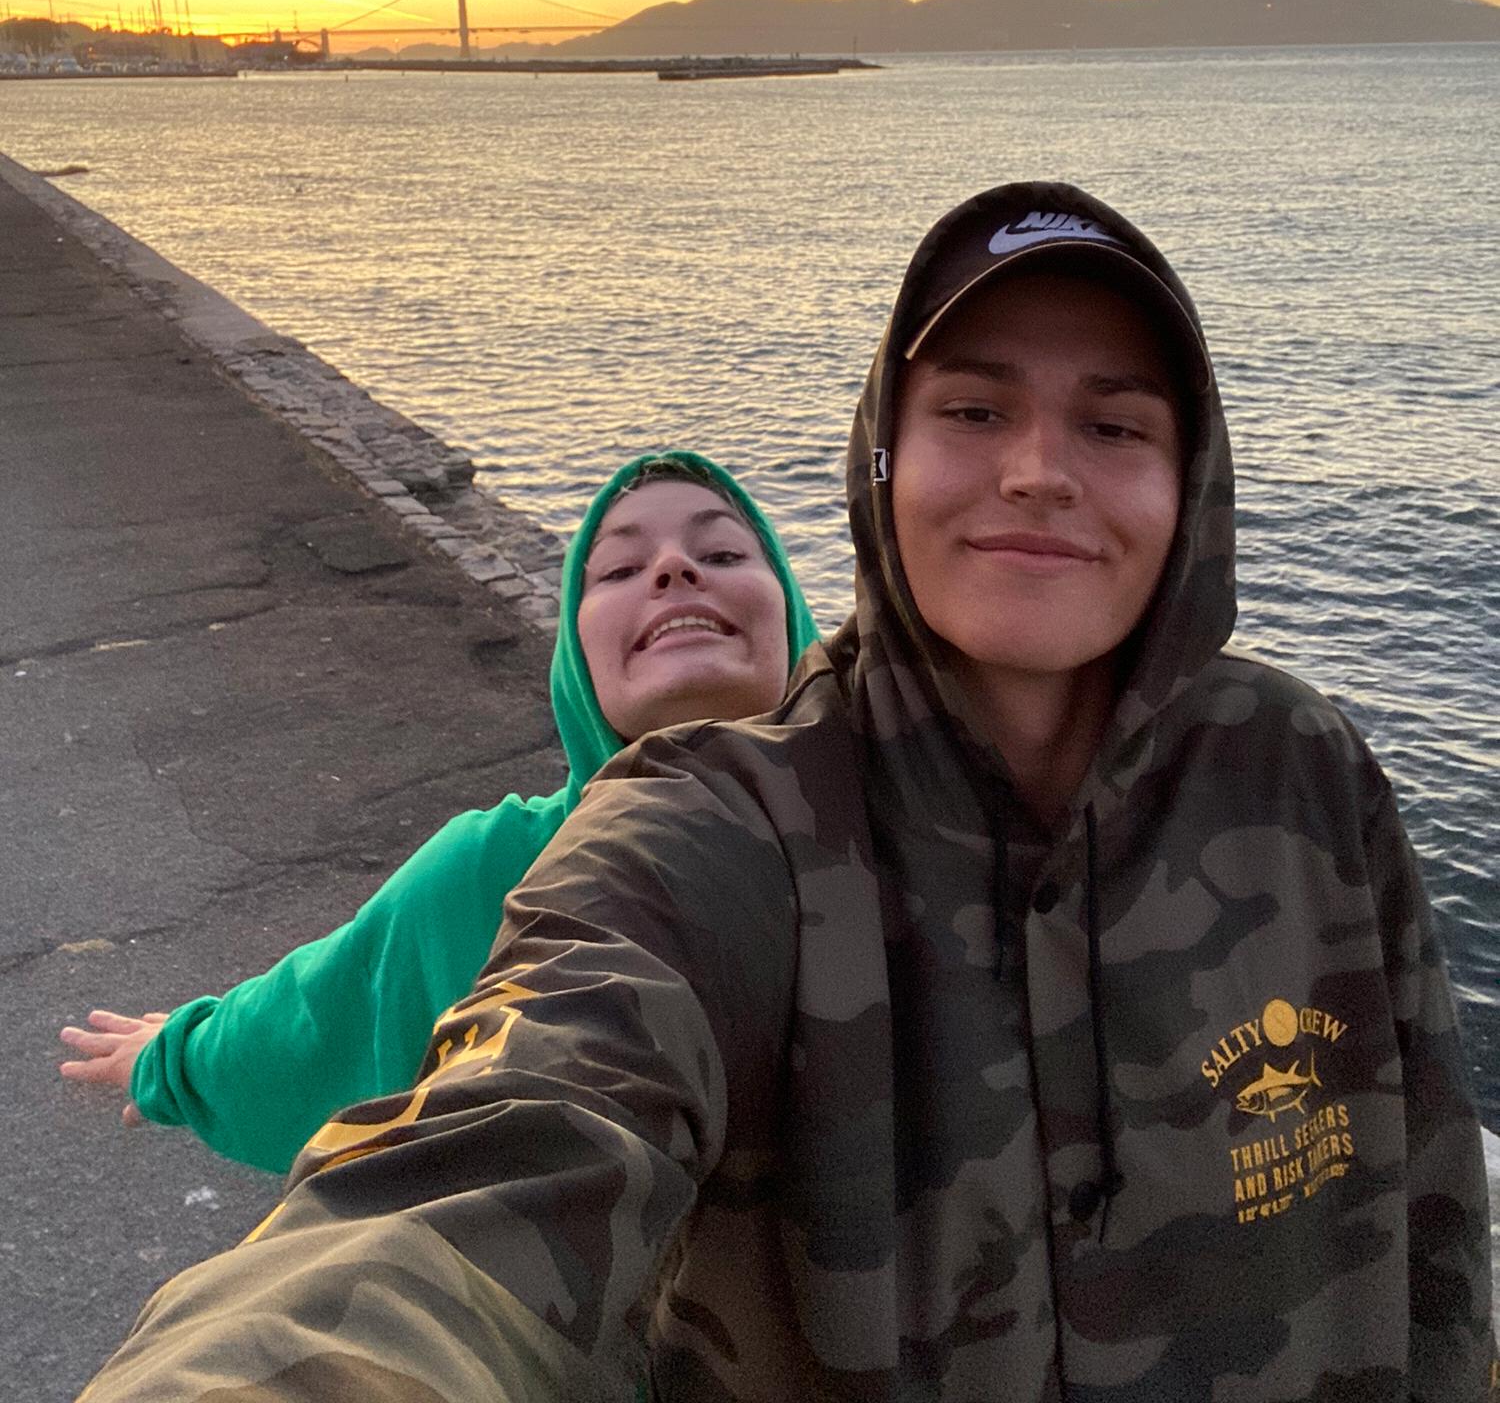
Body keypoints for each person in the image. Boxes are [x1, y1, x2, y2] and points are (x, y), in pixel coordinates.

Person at [80, 182, 1495, 1401]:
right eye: (974, 409)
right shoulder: (704, 834)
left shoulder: (1306, 773)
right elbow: (490, 1165)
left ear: (1194, 482)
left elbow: (1435, 1218)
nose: (1037, 471)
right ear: (880, 459)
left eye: (1116, 426)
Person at [58, 450, 820, 1175]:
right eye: (620, 569)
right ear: (576, 661)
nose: (674, 569)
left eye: (723, 554)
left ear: (792, 612)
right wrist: (181, 1058)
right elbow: (325, 1010)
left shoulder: (886, 830)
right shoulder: (498, 872)